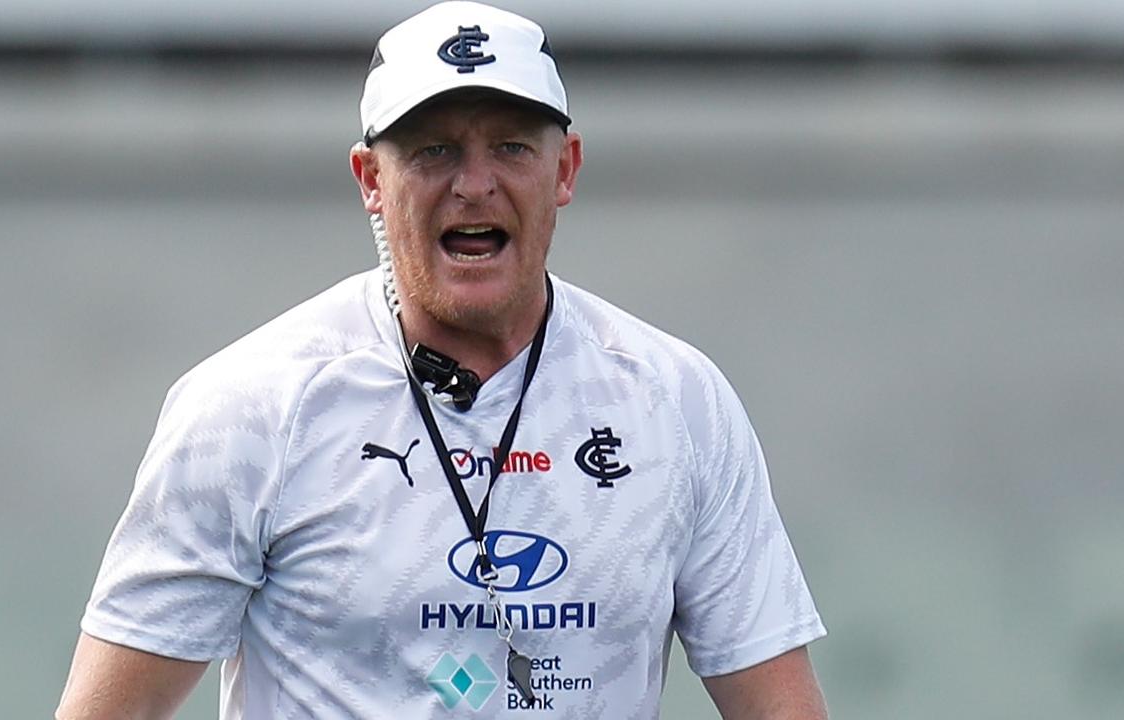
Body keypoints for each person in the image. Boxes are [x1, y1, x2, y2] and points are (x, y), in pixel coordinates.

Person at [56, 2, 828, 718]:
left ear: (566, 170)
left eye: (511, 146)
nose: (474, 183)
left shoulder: (675, 400)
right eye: (433, 150)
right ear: (371, 181)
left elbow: (779, 704)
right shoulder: (252, 407)